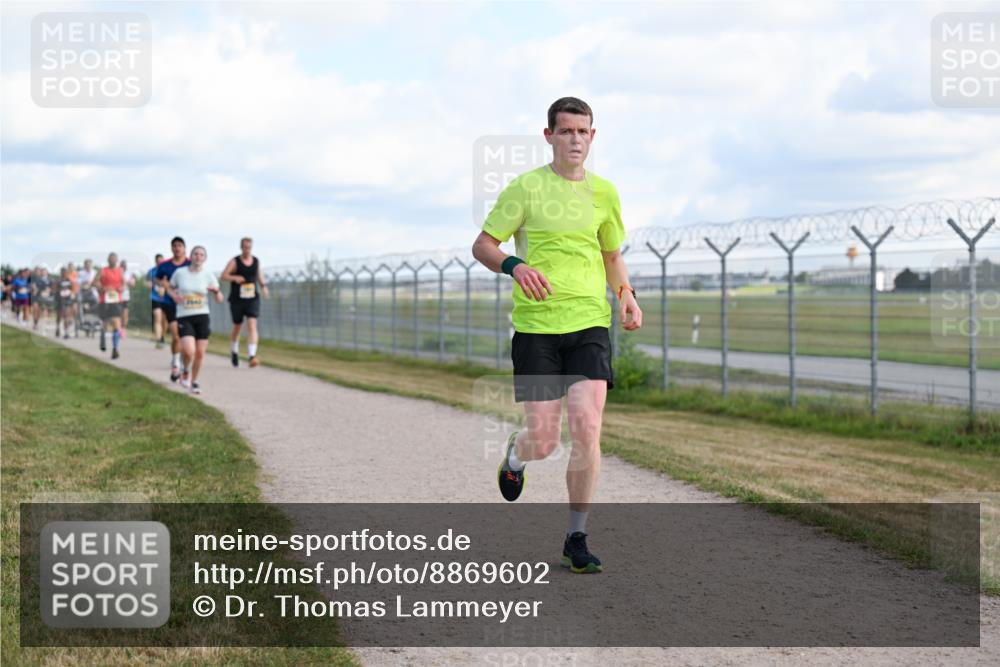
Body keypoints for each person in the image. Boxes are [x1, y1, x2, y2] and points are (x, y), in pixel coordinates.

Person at [471, 97, 642, 574]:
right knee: (545, 440)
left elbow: (611, 255)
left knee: (587, 427)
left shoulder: (605, 193)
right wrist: (515, 265)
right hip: (537, 329)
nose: (575, 140)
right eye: (566, 131)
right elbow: (484, 245)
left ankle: (576, 535)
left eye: (583, 132)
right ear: (549, 135)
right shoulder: (525, 188)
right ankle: (517, 454)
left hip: (589, 322)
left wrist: (625, 293)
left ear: (593, 137)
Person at [167, 245, 223, 394]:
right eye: (196, 254)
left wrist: (216, 292)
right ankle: (185, 369)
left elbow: (219, 298)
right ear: (190, 257)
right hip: (185, 316)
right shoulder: (180, 273)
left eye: (201, 255)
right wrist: (174, 296)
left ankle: (194, 381)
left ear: (205, 259)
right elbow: (169, 288)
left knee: (200, 353)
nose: (198, 257)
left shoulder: (208, 275)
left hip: (202, 316)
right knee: (189, 350)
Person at [220, 237, 270, 367]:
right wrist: (234, 277)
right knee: (237, 326)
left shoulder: (256, 261)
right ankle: (234, 351)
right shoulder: (235, 261)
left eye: (249, 247)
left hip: (252, 298)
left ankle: (252, 356)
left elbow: (259, 276)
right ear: (241, 247)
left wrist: (264, 287)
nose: (247, 250)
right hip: (237, 299)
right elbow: (223, 276)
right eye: (245, 247)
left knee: (252, 324)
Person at [154, 238, 191, 381]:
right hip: (170, 303)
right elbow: (157, 279)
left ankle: (182, 361)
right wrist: (162, 284)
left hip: (187, 305)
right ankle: (176, 363)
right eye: (174, 246)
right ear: (171, 248)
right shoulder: (164, 265)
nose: (177, 248)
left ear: (184, 248)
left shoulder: (189, 264)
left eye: (180, 246)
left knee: (184, 336)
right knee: (176, 335)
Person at [96, 252, 125, 359]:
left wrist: (122, 288)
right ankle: (102, 338)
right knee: (105, 322)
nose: (112, 260)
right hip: (104, 299)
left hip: (116, 299)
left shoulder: (120, 271)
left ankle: (115, 349)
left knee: (116, 322)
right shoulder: (103, 270)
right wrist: (102, 287)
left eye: (114, 259)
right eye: (110, 259)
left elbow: (124, 283)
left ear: (116, 260)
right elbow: (94, 282)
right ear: (108, 260)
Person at [147, 253, 166, 348]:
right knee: (157, 318)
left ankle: (162, 336)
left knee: (164, 320)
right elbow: (146, 282)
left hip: (166, 299)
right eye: (158, 261)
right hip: (155, 297)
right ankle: (159, 340)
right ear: (155, 262)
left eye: (162, 261)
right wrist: (149, 285)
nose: (160, 263)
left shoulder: (167, 271)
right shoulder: (151, 272)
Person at [31, 266, 55, 332]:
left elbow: (52, 288)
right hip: (38, 297)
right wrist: (36, 290)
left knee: (46, 311)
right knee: (36, 311)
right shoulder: (37, 279)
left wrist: (49, 290)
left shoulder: (50, 280)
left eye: (45, 271)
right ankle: (35, 323)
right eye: (42, 271)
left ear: (47, 272)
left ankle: (46, 324)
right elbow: (34, 286)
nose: (43, 272)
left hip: (47, 297)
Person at [55, 267, 76, 339]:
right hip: (60, 300)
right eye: (63, 272)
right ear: (61, 273)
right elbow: (54, 289)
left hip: (67, 299)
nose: (64, 273)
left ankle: (66, 332)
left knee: (66, 315)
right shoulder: (58, 280)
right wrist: (60, 289)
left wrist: (71, 293)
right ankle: (57, 327)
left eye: (65, 272)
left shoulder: (69, 280)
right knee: (59, 316)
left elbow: (72, 288)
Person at [119, 259, 137, 334]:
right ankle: (118, 329)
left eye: (125, 265)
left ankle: (123, 328)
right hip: (116, 296)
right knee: (117, 314)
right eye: (122, 265)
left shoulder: (129, 274)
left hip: (125, 296)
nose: (123, 266)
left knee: (125, 313)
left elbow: (133, 284)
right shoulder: (117, 272)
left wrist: (128, 282)